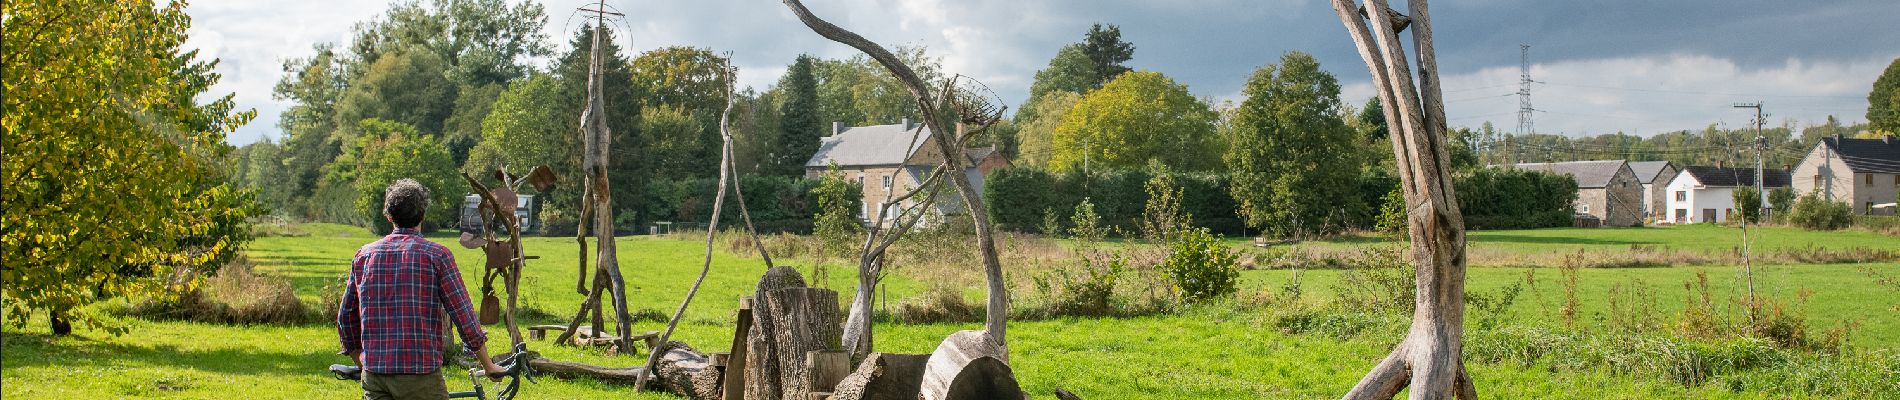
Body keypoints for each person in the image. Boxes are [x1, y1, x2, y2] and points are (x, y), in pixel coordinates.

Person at [338, 179, 505, 400]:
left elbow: (345, 317)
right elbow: (463, 314)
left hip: (375, 374)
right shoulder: (437, 255)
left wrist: (361, 360)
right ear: (423, 214)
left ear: (388, 216)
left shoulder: (365, 256)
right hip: (420, 374)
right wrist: (488, 364)